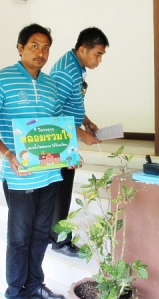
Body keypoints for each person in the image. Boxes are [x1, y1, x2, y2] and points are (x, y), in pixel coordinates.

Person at [0, 24, 70, 299]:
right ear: (20, 48)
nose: (41, 53)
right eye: (34, 46)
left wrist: (68, 154)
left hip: (50, 174)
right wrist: (8, 153)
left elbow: (58, 128)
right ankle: (15, 295)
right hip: (19, 177)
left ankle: (35, 285)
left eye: (46, 48)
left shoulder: (51, 86)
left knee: (41, 235)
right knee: (19, 239)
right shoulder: (1, 80)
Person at [49, 27, 109, 257]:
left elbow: (71, 103)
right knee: (61, 189)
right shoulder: (67, 72)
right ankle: (60, 240)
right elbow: (55, 112)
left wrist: (86, 122)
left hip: (67, 133)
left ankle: (51, 233)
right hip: (60, 137)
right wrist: (82, 135)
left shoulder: (76, 67)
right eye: (98, 54)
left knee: (59, 187)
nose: (99, 60)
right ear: (82, 49)